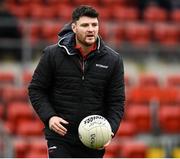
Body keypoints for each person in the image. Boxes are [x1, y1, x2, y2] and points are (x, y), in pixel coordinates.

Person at [28, 5, 125, 158]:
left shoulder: (113, 60)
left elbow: (117, 101)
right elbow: (36, 89)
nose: (91, 29)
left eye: (94, 25)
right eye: (85, 25)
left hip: (94, 138)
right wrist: (50, 117)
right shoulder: (52, 54)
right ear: (74, 27)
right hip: (61, 137)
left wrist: (109, 130)